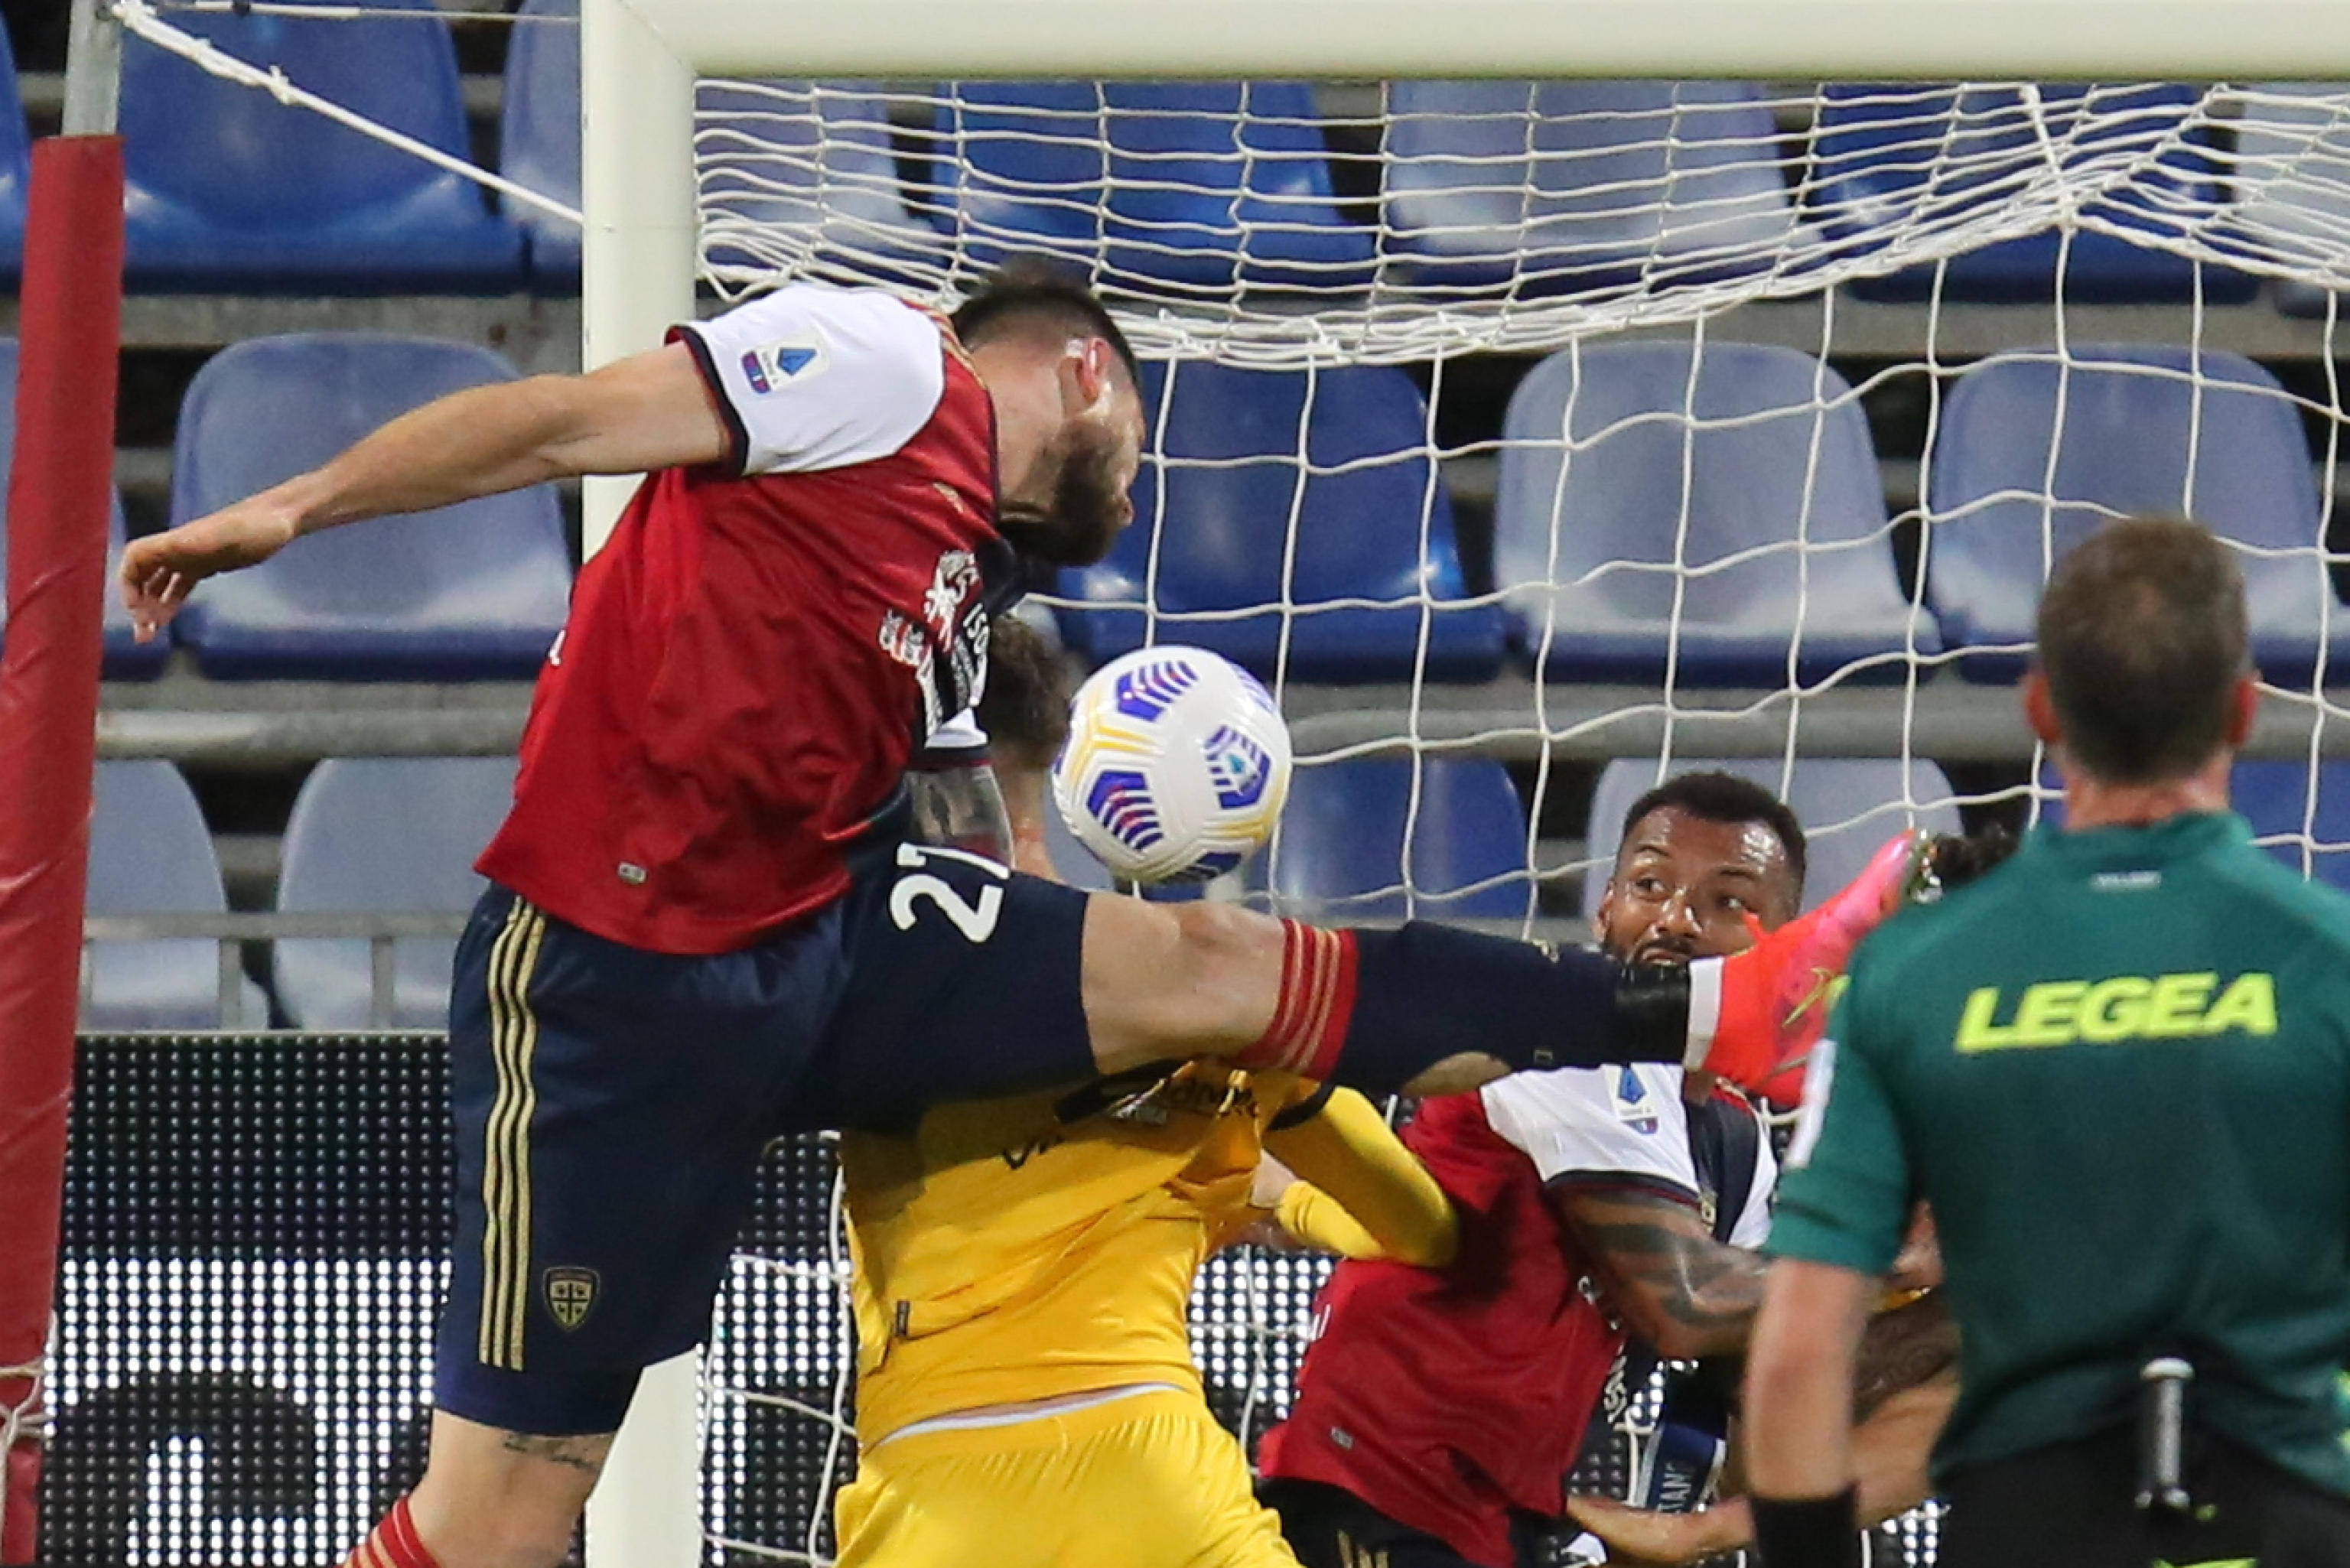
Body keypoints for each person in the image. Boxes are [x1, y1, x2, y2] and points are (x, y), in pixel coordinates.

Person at [120, 261, 1908, 1568]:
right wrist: (300, 501)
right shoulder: (885, 365)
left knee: (1213, 967)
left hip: (820, 939)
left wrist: (1114, 1029)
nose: (1129, 503)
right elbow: (564, 417)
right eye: (1133, 458)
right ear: (1084, 374)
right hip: (612, 976)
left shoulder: (960, 600)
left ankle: (1711, 1015)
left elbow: (980, 857)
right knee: (511, 1500)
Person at [1743, 516, 2350, 1568]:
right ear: (2245, 711)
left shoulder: (1914, 972)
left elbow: (1799, 1344)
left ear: (2041, 709)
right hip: (2287, 1512)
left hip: (2029, 1524)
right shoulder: (2328, 959)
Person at [830, 631, 1456, 1568]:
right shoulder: (1205, 995)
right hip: (1157, 1484)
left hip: (932, 1492)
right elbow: (1422, 1232)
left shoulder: (854, 983)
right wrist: (1262, 1182)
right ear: (1066, 760)